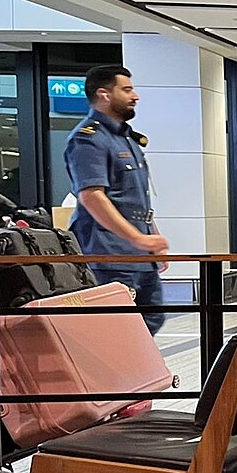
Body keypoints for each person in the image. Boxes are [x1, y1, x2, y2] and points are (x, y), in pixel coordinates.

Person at [64, 65, 169, 334]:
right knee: (116, 327)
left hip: (139, 253)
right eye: (127, 89)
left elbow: (136, 199)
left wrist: (151, 239)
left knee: (152, 318)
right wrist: (139, 239)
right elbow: (92, 196)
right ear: (104, 94)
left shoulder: (126, 138)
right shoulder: (88, 140)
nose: (135, 96)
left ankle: (135, 373)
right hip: (110, 253)